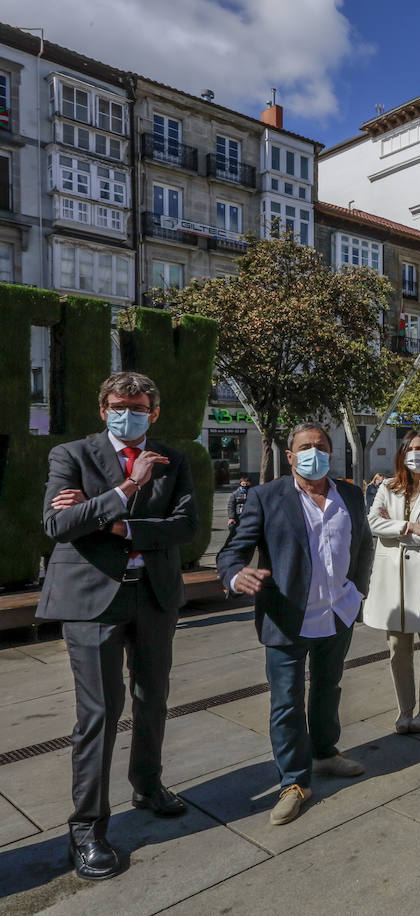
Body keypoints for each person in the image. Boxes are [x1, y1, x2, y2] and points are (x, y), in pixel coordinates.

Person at [38, 371, 197, 881]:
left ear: (154, 412)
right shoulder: (71, 456)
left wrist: (117, 522)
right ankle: (86, 829)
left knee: (153, 697)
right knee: (99, 714)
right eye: (116, 405)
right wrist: (127, 489)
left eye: (137, 406)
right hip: (91, 602)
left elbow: (187, 524)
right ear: (103, 408)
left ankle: (147, 785)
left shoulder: (174, 458)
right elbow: (59, 525)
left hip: (153, 596)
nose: (125, 413)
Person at [217, 422, 374, 827]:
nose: (313, 453)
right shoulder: (266, 497)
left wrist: (358, 591)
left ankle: (324, 752)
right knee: (286, 701)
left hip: (338, 613)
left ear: (331, 452)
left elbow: (364, 546)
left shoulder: (351, 495)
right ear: (290, 457)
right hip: (287, 617)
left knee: (328, 685)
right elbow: (233, 551)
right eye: (305, 447)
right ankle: (293, 782)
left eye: (320, 446)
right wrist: (236, 575)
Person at [364, 431, 420, 735]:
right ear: (402, 454)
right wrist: (410, 525)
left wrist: (395, 530)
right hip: (393, 580)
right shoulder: (387, 488)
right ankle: (405, 708)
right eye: (409, 448)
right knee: (396, 649)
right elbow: (372, 523)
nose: (414, 453)